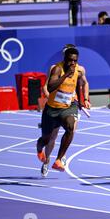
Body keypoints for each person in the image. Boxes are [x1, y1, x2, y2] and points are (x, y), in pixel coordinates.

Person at [36, 44, 90, 173]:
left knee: (71, 127)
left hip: (69, 106)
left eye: (75, 60)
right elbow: (48, 87)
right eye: (69, 59)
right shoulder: (56, 69)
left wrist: (84, 100)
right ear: (64, 57)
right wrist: (65, 76)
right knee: (48, 139)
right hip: (52, 108)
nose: (72, 63)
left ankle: (60, 158)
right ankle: (44, 156)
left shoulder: (79, 70)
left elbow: (81, 83)